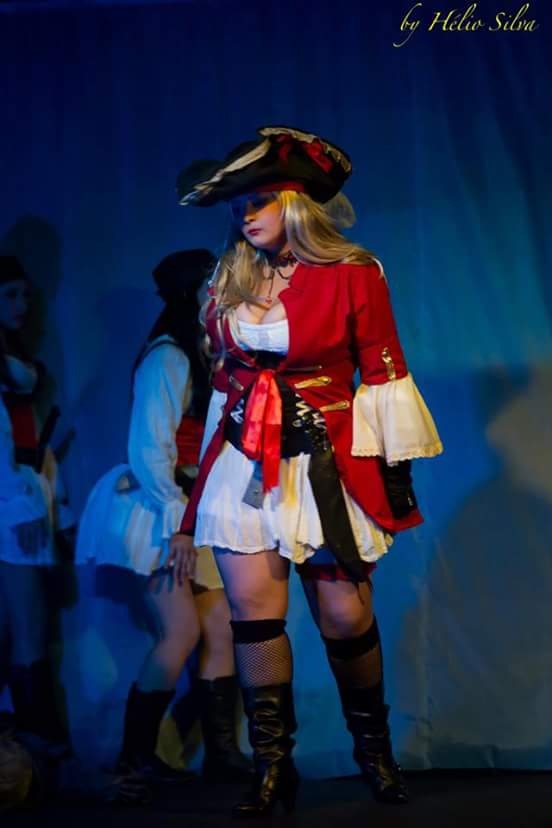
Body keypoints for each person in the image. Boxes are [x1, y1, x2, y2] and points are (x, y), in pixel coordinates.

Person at [170, 126, 443, 816]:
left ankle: (374, 754)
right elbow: (223, 389)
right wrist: (192, 505)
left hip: (327, 461)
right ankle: (273, 768)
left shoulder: (353, 272)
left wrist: (392, 478)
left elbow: (383, 372)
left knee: (345, 614)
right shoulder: (226, 282)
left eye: (259, 200)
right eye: (239, 206)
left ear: (295, 202)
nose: (246, 216)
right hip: (243, 463)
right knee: (254, 617)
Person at [76, 250, 250, 784]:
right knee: (179, 630)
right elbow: (149, 449)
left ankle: (221, 754)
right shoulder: (168, 357)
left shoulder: (208, 353)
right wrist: (177, 523)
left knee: (219, 626)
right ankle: (134, 758)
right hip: (161, 507)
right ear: (190, 294)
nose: (220, 296)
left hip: (197, 505)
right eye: (211, 287)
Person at [0, 254, 72, 750]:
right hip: (12, 506)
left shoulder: (17, 364)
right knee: (28, 626)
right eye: (10, 295)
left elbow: (32, 442)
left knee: (20, 625)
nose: (22, 305)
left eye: (25, 295)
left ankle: (33, 746)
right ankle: (39, 743)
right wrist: (22, 505)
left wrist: (56, 506)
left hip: (24, 497)